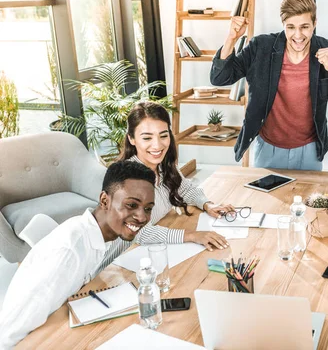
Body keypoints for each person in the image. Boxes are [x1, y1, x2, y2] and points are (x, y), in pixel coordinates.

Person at [0, 161, 156, 349]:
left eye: (148, 208)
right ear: (105, 201)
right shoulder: (68, 253)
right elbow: (9, 334)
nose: (142, 217)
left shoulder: (101, 232)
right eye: (132, 205)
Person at [211, 0, 328, 170]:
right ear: (283, 25)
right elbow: (219, 78)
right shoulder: (261, 47)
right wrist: (231, 38)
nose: (298, 35)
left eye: (304, 27)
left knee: (310, 199)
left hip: (310, 149)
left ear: (314, 23)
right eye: (290, 27)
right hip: (268, 148)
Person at [94, 102, 234, 276]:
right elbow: (141, 232)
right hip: (114, 266)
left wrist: (207, 204)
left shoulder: (161, 166)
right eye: (147, 138)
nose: (157, 145)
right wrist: (192, 235)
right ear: (131, 139)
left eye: (163, 135)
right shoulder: (129, 179)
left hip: (145, 255)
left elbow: (186, 189)